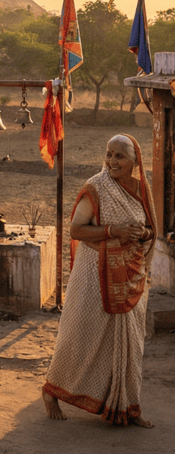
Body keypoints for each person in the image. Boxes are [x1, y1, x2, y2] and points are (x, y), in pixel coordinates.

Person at [43, 133, 157, 427]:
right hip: (95, 270)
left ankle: (127, 407)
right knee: (81, 334)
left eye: (119, 156)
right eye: (109, 154)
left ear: (135, 160)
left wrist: (140, 234)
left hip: (131, 274)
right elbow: (76, 230)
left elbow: (149, 230)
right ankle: (52, 391)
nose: (112, 161)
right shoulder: (97, 186)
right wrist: (113, 231)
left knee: (130, 342)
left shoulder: (142, 189)